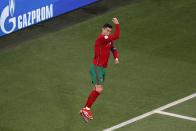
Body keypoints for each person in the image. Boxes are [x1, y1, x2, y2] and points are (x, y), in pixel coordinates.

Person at [80, 17, 120, 123]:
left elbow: (113, 48)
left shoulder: (109, 40)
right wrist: (117, 24)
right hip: (96, 67)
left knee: (98, 89)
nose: (108, 32)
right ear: (102, 29)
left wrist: (116, 57)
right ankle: (85, 109)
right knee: (98, 89)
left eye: (109, 31)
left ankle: (85, 110)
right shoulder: (101, 38)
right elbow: (117, 36)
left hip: (101, 68)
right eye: (107, 30)